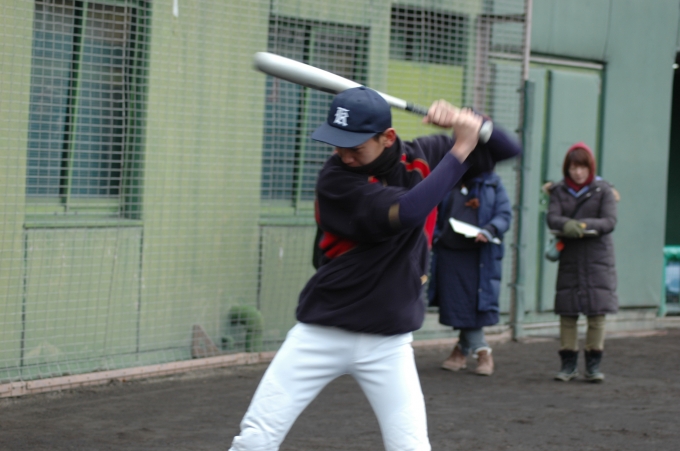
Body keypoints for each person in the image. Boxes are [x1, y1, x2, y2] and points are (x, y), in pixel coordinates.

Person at [229, 87, 521, 451]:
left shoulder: (422, 156)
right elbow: (409, 211)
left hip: (388, 340)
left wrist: (470, 118)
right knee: (255, 438)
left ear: (388, 138)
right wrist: (461, 147)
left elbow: (508, 148)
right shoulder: (336, 180)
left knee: (412, 447)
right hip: (323, 331)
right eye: (338, 145)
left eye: (355, 147)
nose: (345, 156)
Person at [546, 142, 618, 383]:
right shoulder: (558, 190)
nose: (577, 172)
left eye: (582, 167)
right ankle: (568, 365)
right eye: (573, 167)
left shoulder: (603, 190)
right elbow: (552, 218)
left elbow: (609, 221)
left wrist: (583, 225)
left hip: (598, 259)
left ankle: (593, 365)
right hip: (570, 259)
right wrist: (565, 224)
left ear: (590, 167)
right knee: (567, 312)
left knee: (597, 313)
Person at [428, 167, 512, 376]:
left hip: (480, 255)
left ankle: (481, 352)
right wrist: (436, 235)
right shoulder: (447, 179)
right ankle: (464, 350)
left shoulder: (493, 183)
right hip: (450, 255)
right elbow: (432, 211)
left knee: (473, 305)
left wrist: (490, 229)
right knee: (458, 304)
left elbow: (504, 214)